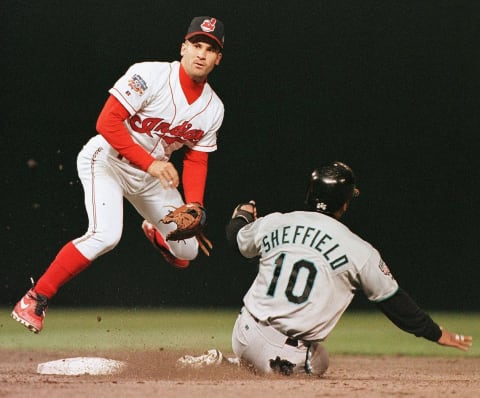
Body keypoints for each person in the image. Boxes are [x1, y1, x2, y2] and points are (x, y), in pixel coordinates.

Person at [11, 16, 226, 334]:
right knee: (105, 235)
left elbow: (197, 158)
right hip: (108, 161)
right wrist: (150, 163)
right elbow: (107, 122)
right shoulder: (149, 74)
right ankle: (34, 298)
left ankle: (156, 231)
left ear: (218, 58)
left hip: (152, 178)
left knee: (188, 250)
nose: (201, 53)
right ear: (183, 47)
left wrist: (194, 204)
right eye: (196, 44)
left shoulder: (213, 108)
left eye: (210, 49)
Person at [178, 161, 472, 376]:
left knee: (302, 354)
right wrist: (437, 333)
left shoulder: (276, 221)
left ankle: (227, 361)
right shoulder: (358, 250)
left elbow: (236, 237)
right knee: (320, 361)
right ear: (344, 204)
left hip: (243, 331)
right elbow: (394, 303)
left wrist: (242, 215)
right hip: (286, 352)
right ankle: (240, 367)